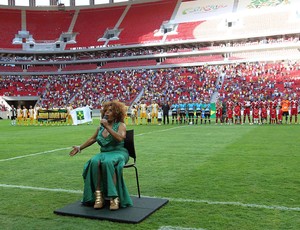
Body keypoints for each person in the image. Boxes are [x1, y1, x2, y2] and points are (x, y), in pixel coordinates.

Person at [69, 100, 133, 210]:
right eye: (106, 111)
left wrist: (107, 126)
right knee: (94, 162)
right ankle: (99, 196)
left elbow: (119, 138)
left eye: (111, 111)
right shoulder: (100, 128)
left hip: (119, 152)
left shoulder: (121, 125)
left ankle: (114, 197)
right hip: (104, 153)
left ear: (117, 113)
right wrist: (79, 148)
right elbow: (92, 139)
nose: (107, 113)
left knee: (108, 162)